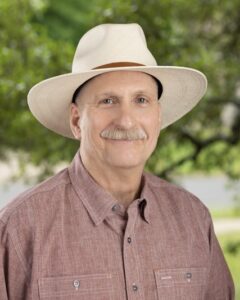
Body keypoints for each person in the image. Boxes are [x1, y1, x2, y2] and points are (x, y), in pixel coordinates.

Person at [0, 23, 234, 300]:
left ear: (158, 117)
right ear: (77, 120)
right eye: (108, 100)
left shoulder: (194, 219)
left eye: (141, 100)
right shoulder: (19, 229)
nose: (126, 120)